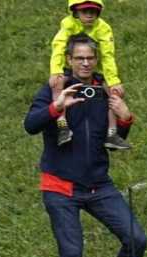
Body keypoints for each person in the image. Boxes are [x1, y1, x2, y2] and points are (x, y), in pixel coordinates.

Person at [24, 33, 147, 257]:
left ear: (97, 59)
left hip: (98, 185)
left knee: (136, 239)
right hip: (60, 187)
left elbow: (112, 139)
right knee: (71, 254)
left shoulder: (104, 89)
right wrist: (56, 106)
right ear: (68, 60)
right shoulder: (55, 88)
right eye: (79, 58)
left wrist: (125, 119)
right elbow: (30, 124)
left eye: (90, 57)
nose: (85, 62)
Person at [49, 0, 131, 150]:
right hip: (70, 66)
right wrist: (56, 71)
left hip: (96, 67)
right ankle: (62, 126)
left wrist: (113, 81)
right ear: (75, 12)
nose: (89, 15)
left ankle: (111, 134)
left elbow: (107, 55)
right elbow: (58, 46)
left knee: (114, 91)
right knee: (57, 84)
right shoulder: (68, 24)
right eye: (84, 11)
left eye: (93, 11)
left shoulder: (103, 28)